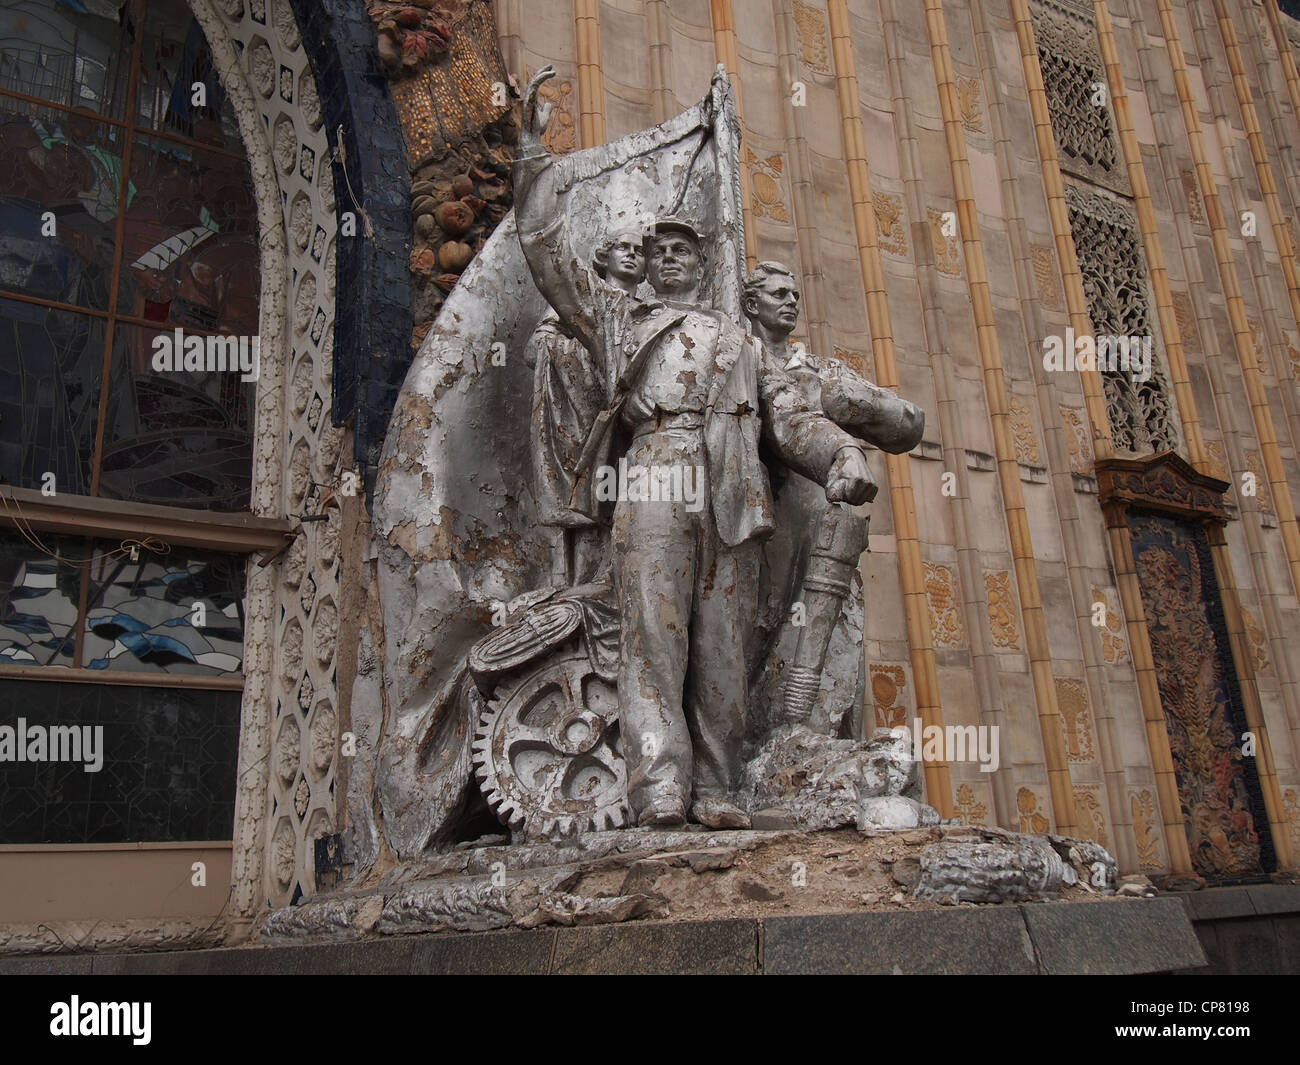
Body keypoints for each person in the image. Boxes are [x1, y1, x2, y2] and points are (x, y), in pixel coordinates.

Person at [513, 68, 876, 829]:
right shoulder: (618, 321)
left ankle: (717, 786)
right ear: (646, 263)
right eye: (660, 250)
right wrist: (532, 156)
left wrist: (840, 456)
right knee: (652, 633)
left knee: (720, 645)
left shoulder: (738, 340)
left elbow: (787, 418)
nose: (670, 258)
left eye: (684, 249)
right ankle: (659, 788)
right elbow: (546, 254)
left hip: (731, 490)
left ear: (705, 262)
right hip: (653, 475)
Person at [741, 262, 924, 728]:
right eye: (779, 294)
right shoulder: (738, 362)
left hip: (823, 532)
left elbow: (908, 424)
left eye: (795, 296)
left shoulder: (823, 370)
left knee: (831, 642)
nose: (791, 302)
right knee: (760, 633)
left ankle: (813, 739)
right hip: (760, 527)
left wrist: (847, 400)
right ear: (750, 305)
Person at [524, 228, 646, 585]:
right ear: (604, 256)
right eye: (623, 247)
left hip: (632, 425)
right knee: (585, 511)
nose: (631, 255)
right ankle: (576, 592)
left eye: (639, 251)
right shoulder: (582, 300)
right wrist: (593, 359)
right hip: (583, 421)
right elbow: (536, 349)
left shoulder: (650, 312)